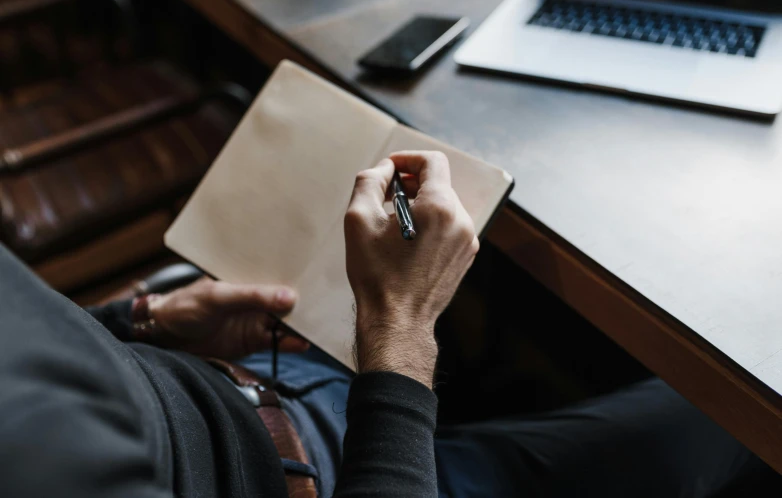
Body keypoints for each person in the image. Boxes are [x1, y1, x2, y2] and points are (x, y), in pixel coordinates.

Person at [0, 151, 772, 497]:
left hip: (248, 383)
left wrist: (144, 320)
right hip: (343, 473)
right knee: (736, 404)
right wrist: (401, 329)